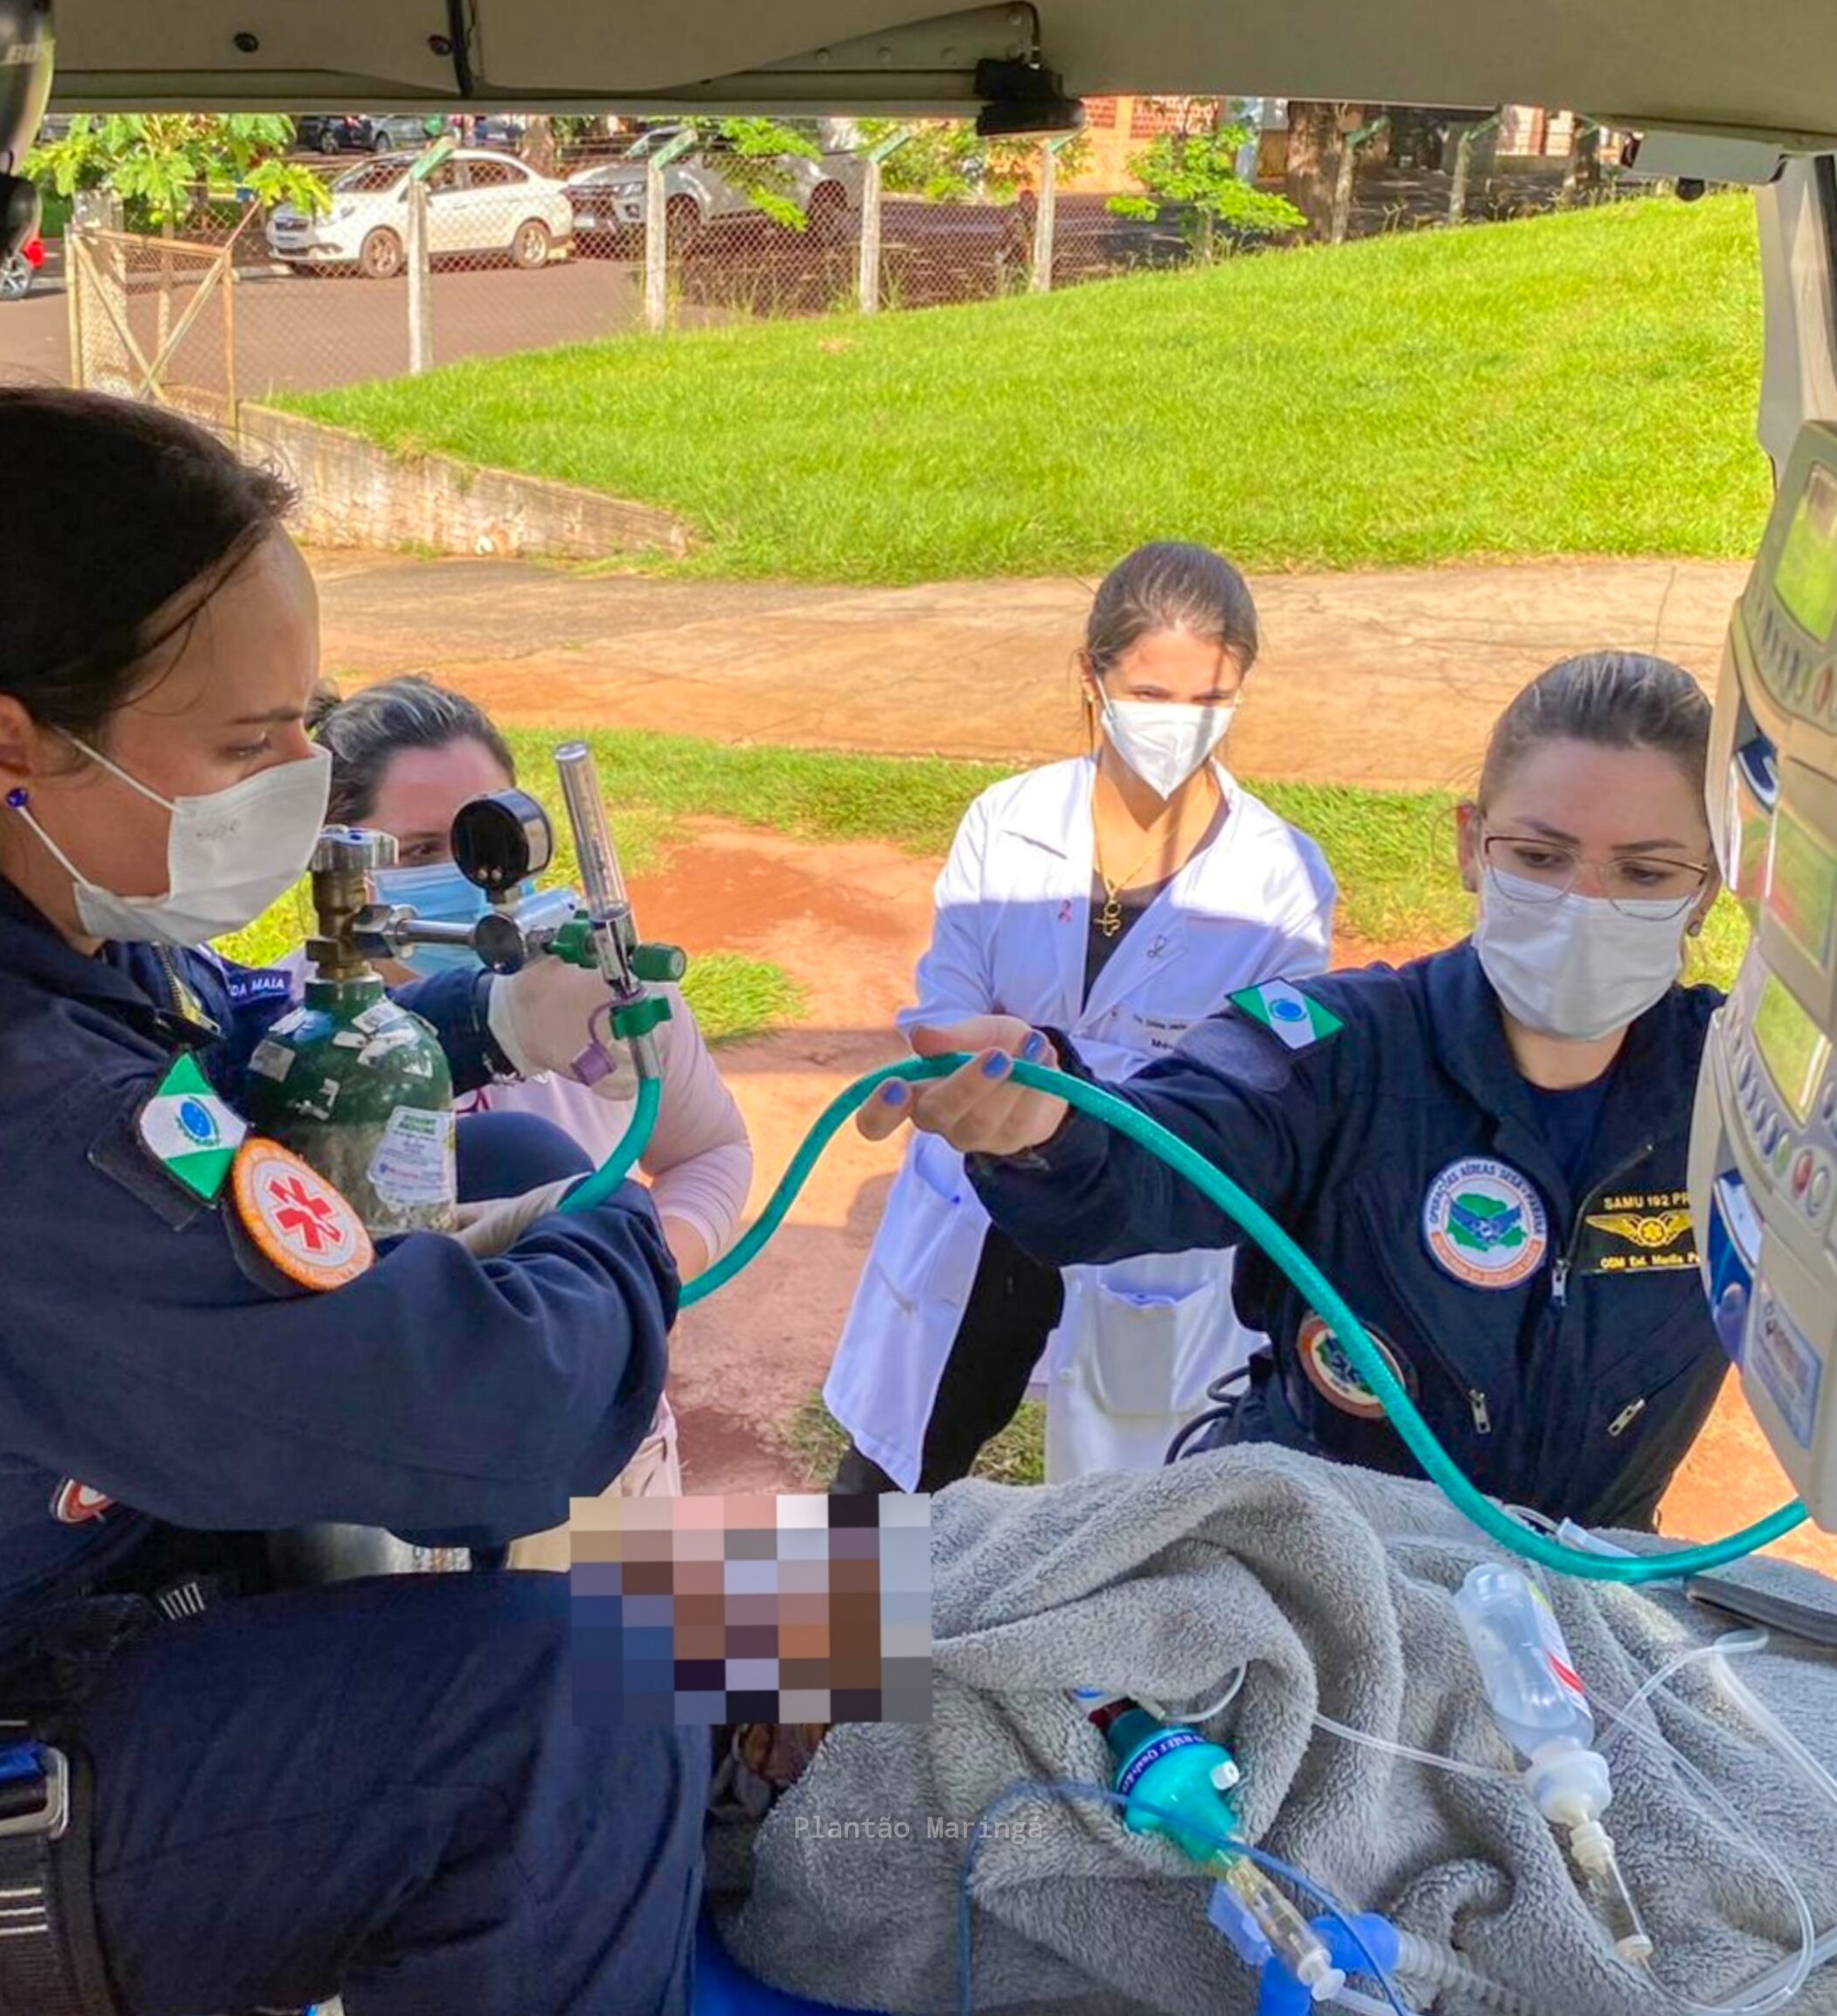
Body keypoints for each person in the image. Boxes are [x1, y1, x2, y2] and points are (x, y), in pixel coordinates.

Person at [0, 389, 701, 2016]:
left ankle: (848, 1697)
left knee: (736, 1630)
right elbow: (491, 1426)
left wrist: (480, 1026)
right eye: (249, 742)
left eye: (309, 724)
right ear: (6, 745)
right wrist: (627, 1241)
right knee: (579, 1710)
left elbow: (189, 1044)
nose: (302, 780)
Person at [857, 650, 1728, 1535]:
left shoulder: (1740, 1094)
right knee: (863, 1601)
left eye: (1645, 873)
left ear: (1712, 884)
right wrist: (1052, 1121)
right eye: (1539, 855)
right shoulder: (1337, 1048)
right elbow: (1160, 1157)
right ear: (1471, 845)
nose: (1584, 904)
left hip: (1586, 1602)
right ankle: (741, 1648)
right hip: (1305, 1581)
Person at [826, 542, 1336, 1492]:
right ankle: (847, 1640)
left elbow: (1259, 1087)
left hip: (1139, 1230)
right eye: (1149, 695)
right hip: (981, 1195)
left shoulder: (1282, 880)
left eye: (1207, 700)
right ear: (1091, 676)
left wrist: (1045, 1063)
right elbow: (944, 1009)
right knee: (886, 1486)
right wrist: (1000, 1061)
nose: (1178, 726)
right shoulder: (1003, 822)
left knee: (1121, 1526)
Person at [309, 673, 755, 1511]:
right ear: (339, 867)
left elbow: (712, 1150)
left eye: (486, 835)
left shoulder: (599, 991)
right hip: (397, 1476)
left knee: (683, 1635)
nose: (473, 879)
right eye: (417, 852)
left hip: (599, 1440)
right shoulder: (292, 1040)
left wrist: (636, 1279)